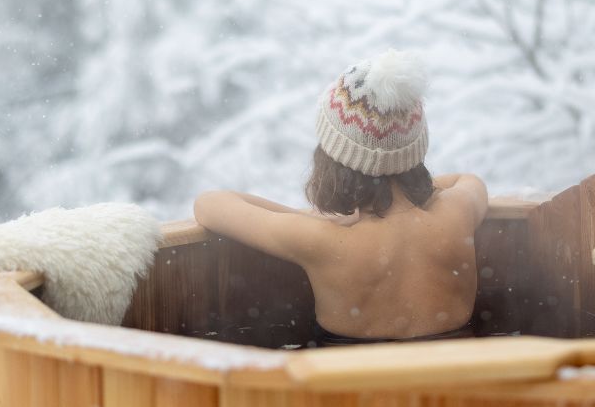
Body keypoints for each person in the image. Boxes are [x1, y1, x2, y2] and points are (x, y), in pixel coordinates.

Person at [193, 50, 488, 344]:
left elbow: (208, 204)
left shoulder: (323, 240)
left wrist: (314, 219)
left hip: (354, 387)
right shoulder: (457, 213)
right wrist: (403, 180)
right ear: (415, 151)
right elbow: (468, 180)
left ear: (333, 160)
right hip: (451, 385)